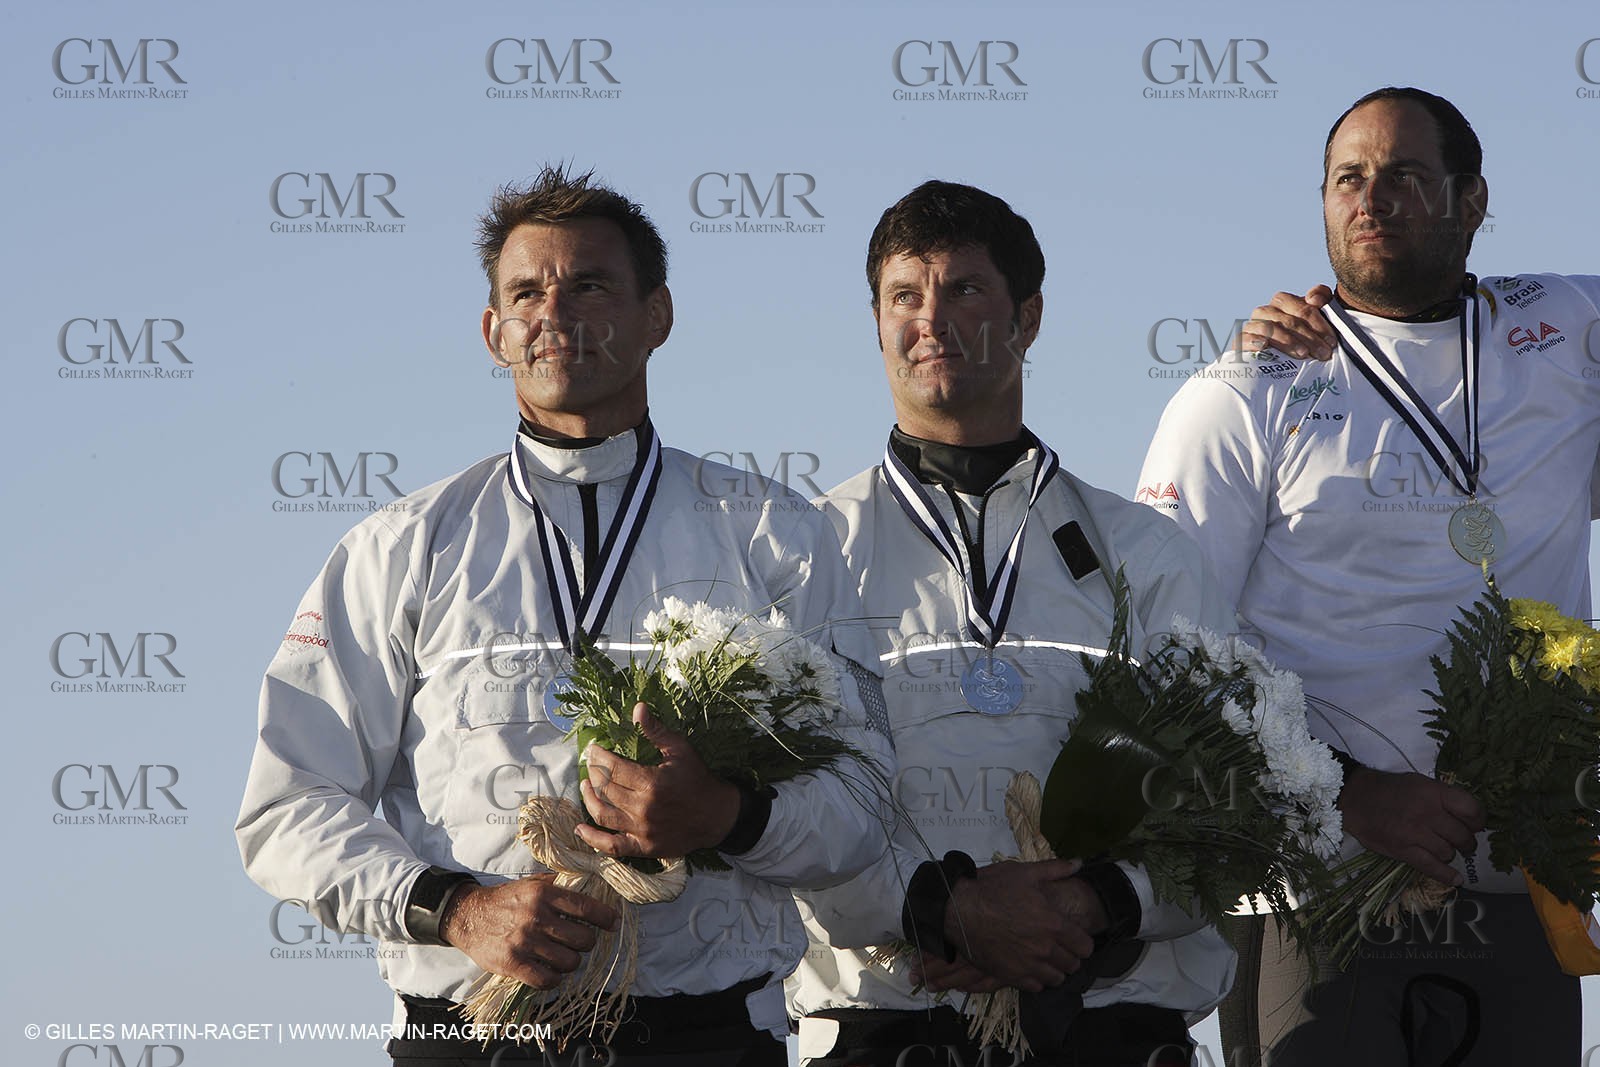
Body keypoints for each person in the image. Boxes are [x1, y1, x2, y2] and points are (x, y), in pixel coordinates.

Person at [235, 165, 894, 1067]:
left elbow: (863, 799)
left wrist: (724, 816)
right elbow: (286, 804)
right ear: (492, 330)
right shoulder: (402, 545)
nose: (555, 311)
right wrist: (456, 908)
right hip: (466, 1036)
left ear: (657, 315)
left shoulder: (776, 532)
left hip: (702, 1039)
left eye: (589, 284)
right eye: (526, 291)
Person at [1139, 86, 1600, 1065]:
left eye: (1403, 176)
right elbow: (1162, 649)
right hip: (1314, 890)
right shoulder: (1244, 391)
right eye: (1348, 178)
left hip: (1521, 889)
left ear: (1472, 201)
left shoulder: (1566, 330)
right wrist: (1346, 794)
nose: (1371, 199)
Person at [787, 180, 1236, 1067]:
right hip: (889, 1032)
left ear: (1028, 318)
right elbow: (786, 817)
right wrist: (945, 910)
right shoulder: (807, 551)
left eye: (965, 290)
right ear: (875, 321)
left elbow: (1226, 806)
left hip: (1113, 1029)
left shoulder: (1147, 551)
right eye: (904, 296)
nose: (932, 320)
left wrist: (1096, 904)